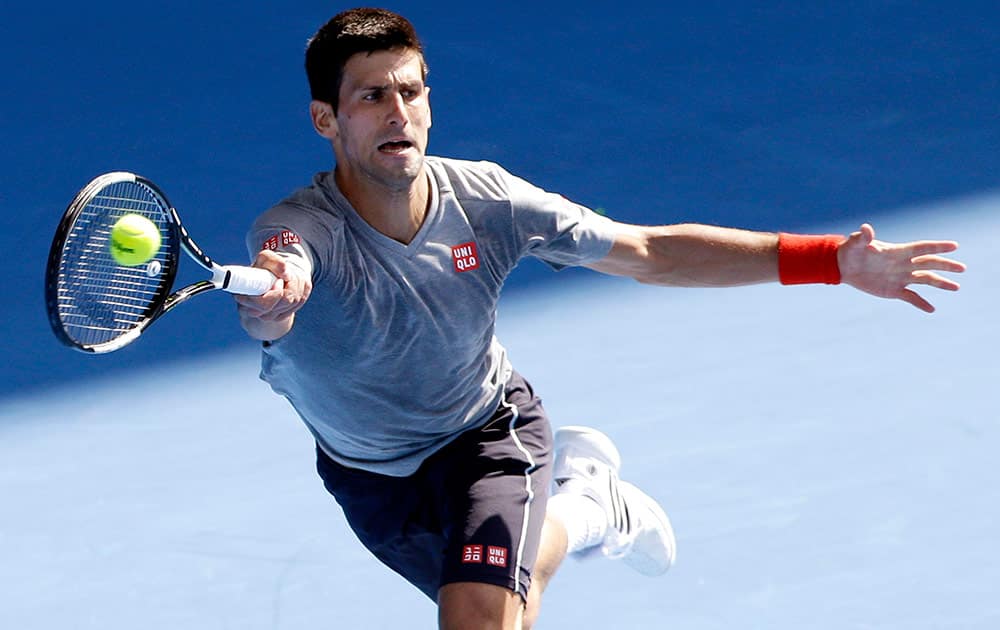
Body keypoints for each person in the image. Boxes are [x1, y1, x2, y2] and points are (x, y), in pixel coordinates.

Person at [234, 8, 965, 630]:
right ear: (324, 118)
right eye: (371, 97)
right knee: (515, 607)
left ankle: (574, 497)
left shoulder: (487, 202)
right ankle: (590, 505)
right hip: (370, 476)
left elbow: (650, 251)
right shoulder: (299, 228)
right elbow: (281, 283)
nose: (399, 112)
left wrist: (831, 259)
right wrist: (278, 292)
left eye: (412, 91)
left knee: (481, 620)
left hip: (486, 434)